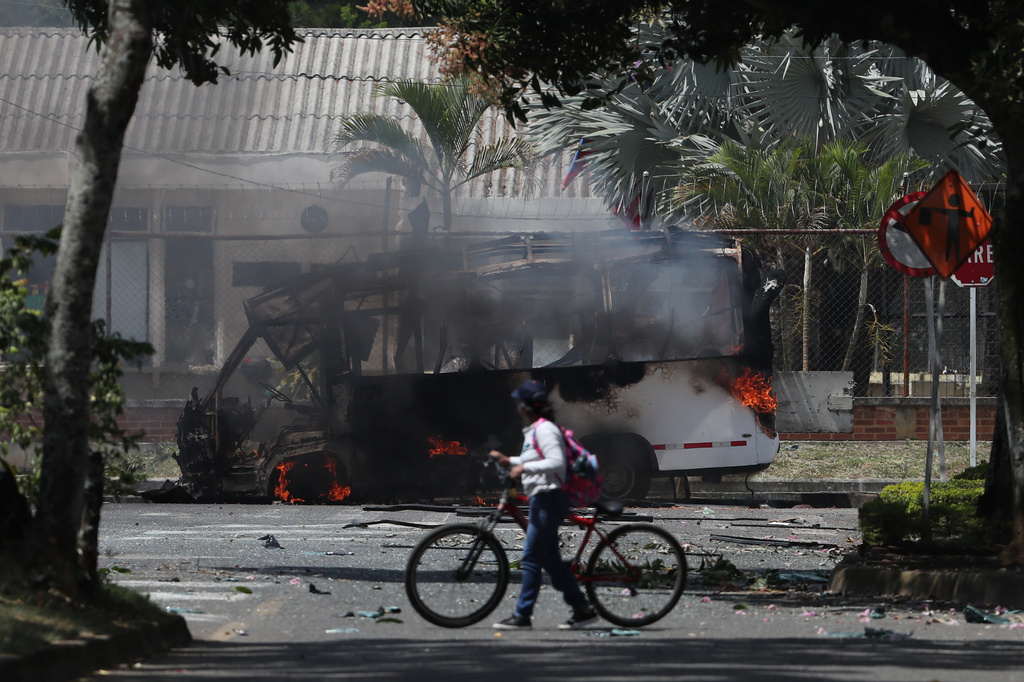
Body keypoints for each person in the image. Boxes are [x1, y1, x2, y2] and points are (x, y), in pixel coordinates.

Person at [489, 379, 598, 630]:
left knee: (530, 557)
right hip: (543, 497)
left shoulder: (545, 430)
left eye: (519, 402)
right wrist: (508, 461)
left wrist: (523, 467)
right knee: (550, 560)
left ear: (526, 406)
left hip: (549, 498)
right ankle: (582, 608)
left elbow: (556, 462)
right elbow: (534, 459)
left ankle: (522, 615)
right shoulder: (536, 430)